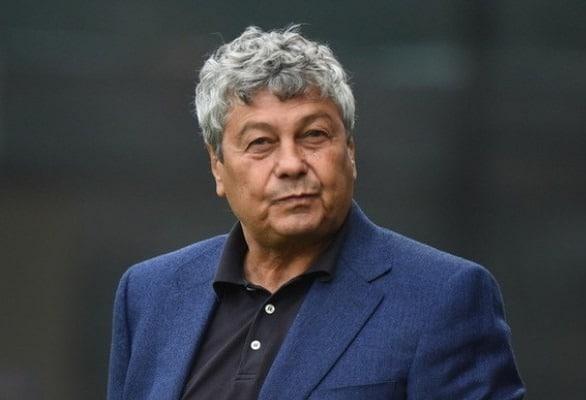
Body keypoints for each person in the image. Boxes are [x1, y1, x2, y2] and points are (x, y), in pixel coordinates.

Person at [107, 26, 525, 400]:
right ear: (217, 166)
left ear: (350, 151)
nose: (291, 164)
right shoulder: (150, 293)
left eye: (313, 135)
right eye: (260, 143)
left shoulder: (442, 297)